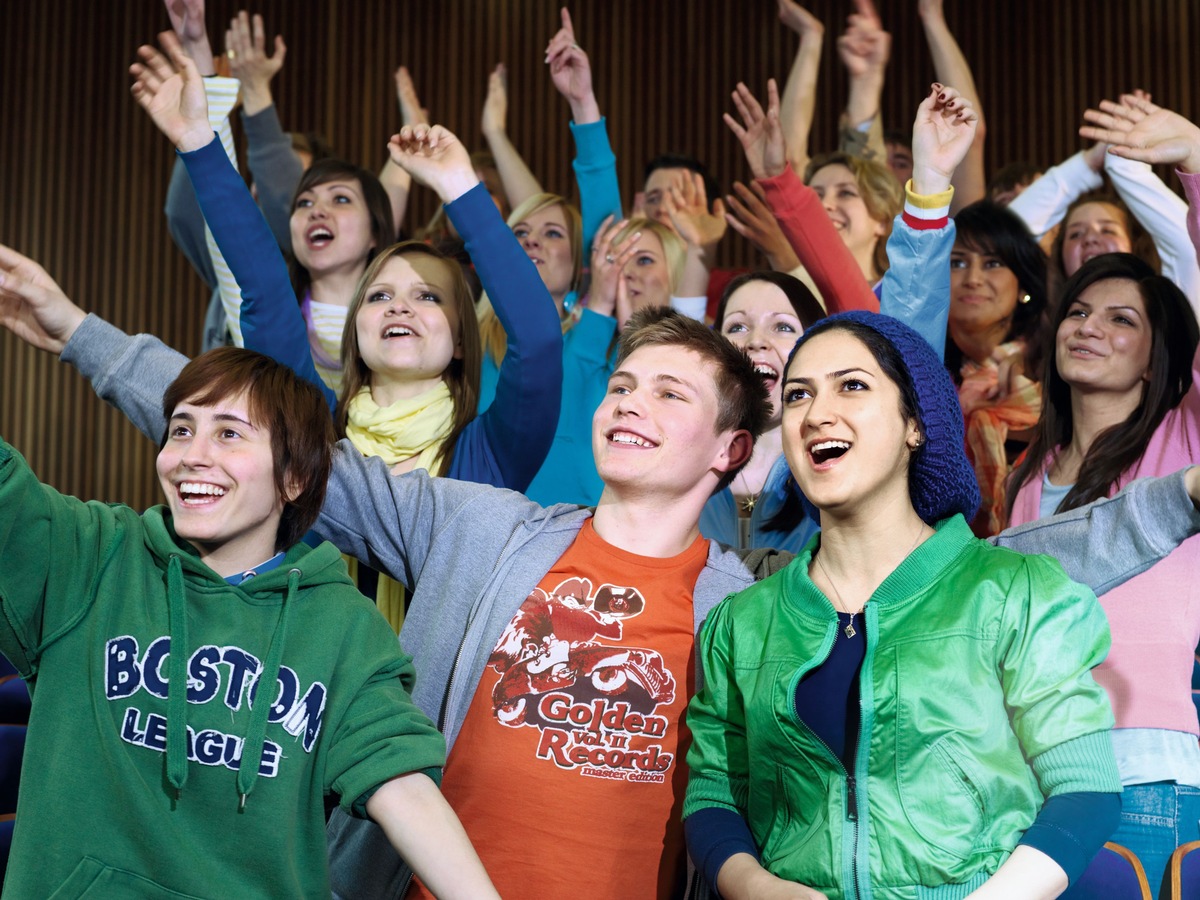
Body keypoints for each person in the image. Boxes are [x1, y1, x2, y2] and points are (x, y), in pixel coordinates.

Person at [3, 232, 1200, 896]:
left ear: (736, 448)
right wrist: (76, 333)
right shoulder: (473, 526)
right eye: (621, 385)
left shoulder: (758, 603)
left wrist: (1182, 501)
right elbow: (279, 437)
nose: (629, 402)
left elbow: (1015, 566)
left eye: (669, 391)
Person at [0, 345, 498, 899]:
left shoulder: (343, 627)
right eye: (181, 430)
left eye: (230, 434)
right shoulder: (88, 556)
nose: (192, 454)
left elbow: (399, 778)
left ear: (294, 478)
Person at [686, 311, 1122, 899]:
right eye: (797, 395)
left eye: (853, 385)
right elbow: (714, 789)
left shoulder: (1015, 590)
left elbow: (1084, 789)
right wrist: (757, 887)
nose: (817, 414)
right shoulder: (741, 624)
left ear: (915, 423)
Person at [1007, 248, 1200, 893]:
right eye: (1079, 311)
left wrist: (1195, 171)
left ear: (1156, 358)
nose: (1087, 327)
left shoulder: (1184, 441)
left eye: (1120, 320)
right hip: (1034, 779)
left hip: (1141, 772)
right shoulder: (1028, 473)